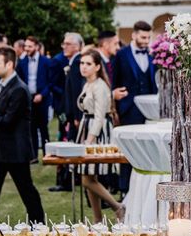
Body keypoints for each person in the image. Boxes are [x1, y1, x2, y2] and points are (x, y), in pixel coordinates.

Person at [0, 46, 45, 224]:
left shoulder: (20, 90)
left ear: (9, 64)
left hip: (15, 150)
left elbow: (7, 121)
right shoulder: (0, 84)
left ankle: (38, 224)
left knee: (26, 190)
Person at [75, 48, 124, 222]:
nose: (84, 67)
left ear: (97, 66)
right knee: (88, 176)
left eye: (88, 64)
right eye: (82, 63)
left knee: (87, 179)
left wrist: (90, 138)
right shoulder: (87, 84)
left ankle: (118, 207)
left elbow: (100, 116)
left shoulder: (100, 86)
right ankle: (97, 220)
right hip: (86, 126)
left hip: (98, 131)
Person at [113, 21, 157, 193]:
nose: (146, 41)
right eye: (143, 37)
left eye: (148, 37)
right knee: (128, 149)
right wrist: (115, 104)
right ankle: (124, 188)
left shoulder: (153, 55)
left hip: (150, 112)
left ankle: (144, 189)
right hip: (128, 109)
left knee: (147, 148)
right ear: (134, 35)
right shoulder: (121, 55)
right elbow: (114, 81)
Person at [49, 32, 84, 192]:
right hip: (68, 113)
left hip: (73, 115)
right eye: (64, 43)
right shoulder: (73, 62)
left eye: (68, 43)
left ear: (77, 46)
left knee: (70, 145)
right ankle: (67, 180)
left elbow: (77, 93)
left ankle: (68, 181)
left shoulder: (77, 63)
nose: (64, 46)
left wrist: (76, 116)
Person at [17, 36, 51, 162]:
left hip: (42, 97)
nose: (27, 49)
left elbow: (50, 82)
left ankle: (48, 154)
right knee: (31, 128)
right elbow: (20, 80)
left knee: (43, 127)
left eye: (30, 46)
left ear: (36, 47)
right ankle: (33, 155)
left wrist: (42, 94)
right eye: (25, 46)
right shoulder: (22, 62)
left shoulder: (46, 62)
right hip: (29, 98)